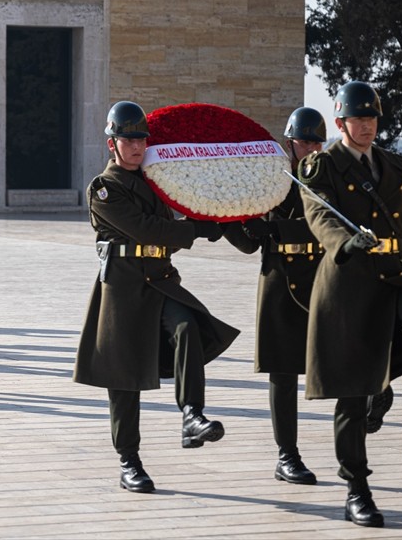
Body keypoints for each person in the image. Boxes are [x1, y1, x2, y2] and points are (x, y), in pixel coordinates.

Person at [298, 81, 402, 528]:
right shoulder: (321, 165)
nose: (367, 125)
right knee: (353, 397)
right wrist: (344, 242)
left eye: (371, 118)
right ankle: (357, 490)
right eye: (358, 118)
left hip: (395, 278)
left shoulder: (395, 165)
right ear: (340, 123)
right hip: (349, 286)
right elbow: (319, 214)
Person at [73, 101, 238, 494]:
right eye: (128, 140)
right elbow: (148, 229)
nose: (136, 147)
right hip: (123, 289)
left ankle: (192, 415)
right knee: (124, 379)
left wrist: (207, 216)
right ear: (112, 143)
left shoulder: (156, 183)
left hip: (161, 281)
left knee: (188, 326)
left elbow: (166, 235)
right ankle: (129, 461)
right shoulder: (103, 188)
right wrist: (195, 229)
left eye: (141, 140)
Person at [223, 107, 326, 486]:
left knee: (344, 358)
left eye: (316, 142)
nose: (311, 148)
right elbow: (250, 244)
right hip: (279, 279)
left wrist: (276, 229)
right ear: (289, 143)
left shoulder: (329, 178)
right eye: (304, 142)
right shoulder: (269, 182)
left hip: (319, 277)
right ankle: (287, 456)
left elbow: (324, 224)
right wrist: (226, 219)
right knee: (282, 372)